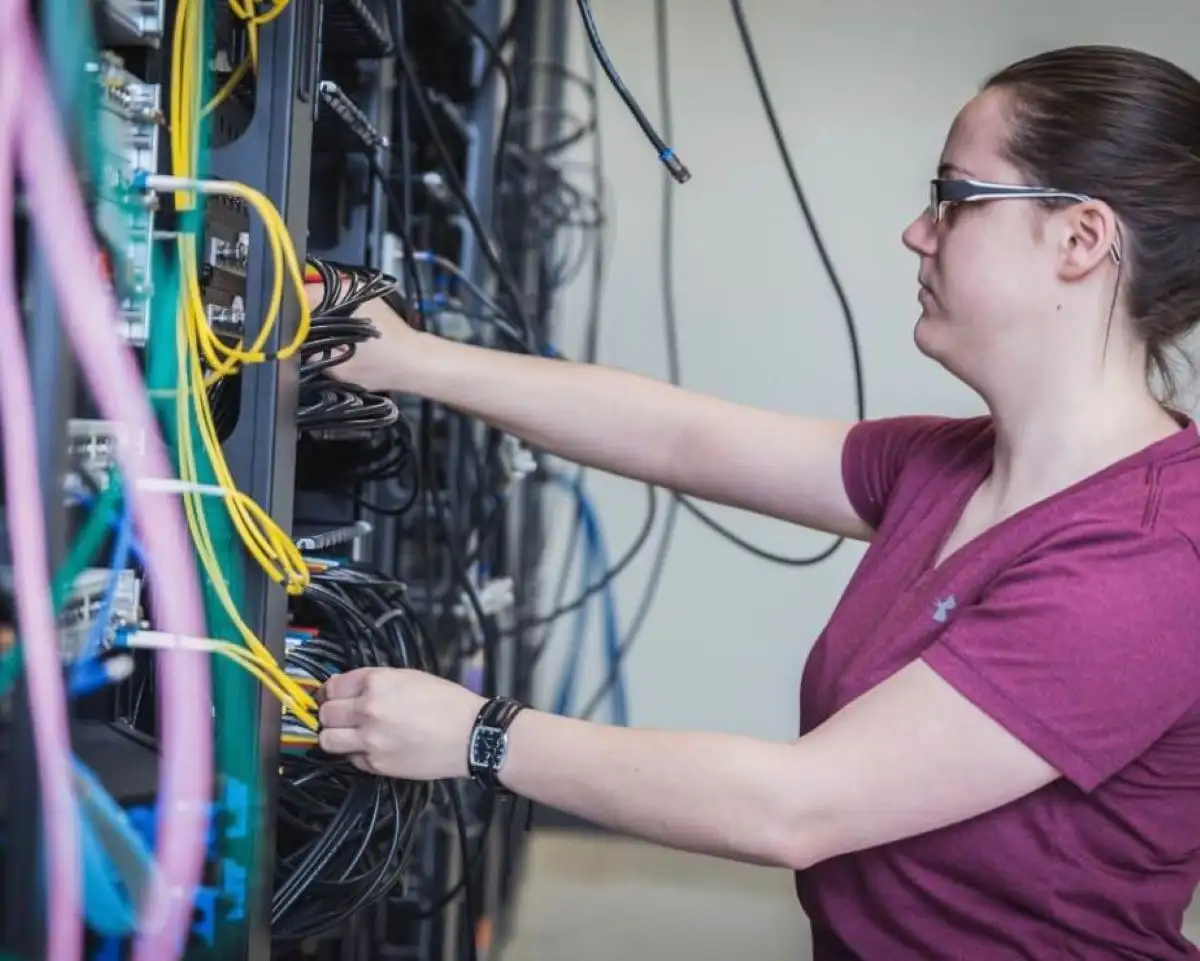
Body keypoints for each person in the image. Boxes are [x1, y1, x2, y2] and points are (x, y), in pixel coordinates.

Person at [314, 44, 1200, 959]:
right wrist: (409, 358)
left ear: (1081, 240)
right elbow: (677, 437)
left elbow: (796, 806)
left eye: (956, 197)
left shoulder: (1148, 560)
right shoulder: (953, 464)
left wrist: (477, 734)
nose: (918, 231)